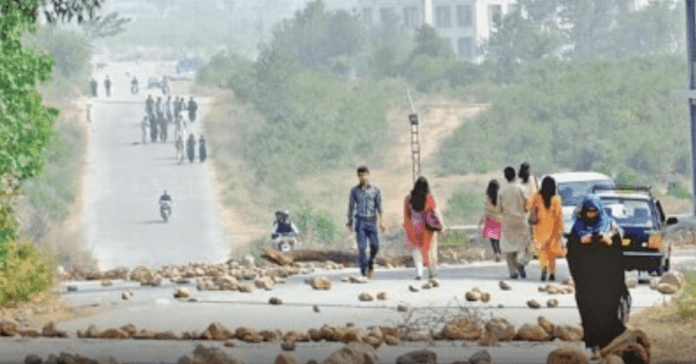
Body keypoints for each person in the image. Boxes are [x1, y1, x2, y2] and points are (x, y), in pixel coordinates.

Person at [566, 195, 630, 357]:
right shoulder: (577, 228)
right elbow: (571, 253)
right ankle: (595, 346)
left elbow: (618, 251)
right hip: (587, 281)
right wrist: (581, 243)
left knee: (607, 312)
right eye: (589, 211)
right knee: (590, 313)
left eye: (595, 211)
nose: (592, 215)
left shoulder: (610, 225)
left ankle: (608, 346)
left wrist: (608, 241)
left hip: (607, 280)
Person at [346, 165, 385, 278]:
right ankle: (364, 271)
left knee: (375, 245)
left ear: (369, 175)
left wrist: (382, 222)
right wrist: (349, 221)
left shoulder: (375, 190)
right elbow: (351, 207)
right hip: (360, 222)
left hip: (372, 220)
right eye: (360, 175)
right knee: (362, 248)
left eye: (365, 174)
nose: (363, 177)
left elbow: (380, 207)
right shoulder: (354, 191)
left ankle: (371, 261)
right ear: (358, 176)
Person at [403, 176, 443, 280]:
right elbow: (434, 212)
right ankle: (432, 272)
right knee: (429, 250)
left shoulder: (408, 198)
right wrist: (441, 225)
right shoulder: (429, 197)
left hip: (414, 226)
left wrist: (407, 227)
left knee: (416, 250)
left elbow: (406, 214)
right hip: (427, 227)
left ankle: (419, 273)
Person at [527, 176, 564, 281]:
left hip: (540, 228)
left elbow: (530, 208)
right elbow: (559, 216)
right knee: (551, 253)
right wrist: (560, 230)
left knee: (542, 252)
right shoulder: (556, 199)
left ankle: (543, 268)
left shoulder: (537, 197)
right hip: (553, 228)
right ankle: (552, 272)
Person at [496, 166, 530, 279]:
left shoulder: (502, 191)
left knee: (509, 247)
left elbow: (499, 209)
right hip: (521, 219)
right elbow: (527, 206)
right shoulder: (522, 189)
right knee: (525, 245)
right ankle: (521, 263)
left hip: (507, 221)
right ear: (515, 175)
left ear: (505, 177)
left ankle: (512, 272)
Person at [517, 161, 538, 269]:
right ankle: (526, 258)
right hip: (529, 210)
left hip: (521, 212)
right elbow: (534, 195)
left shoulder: (520, 182)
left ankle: (526, 254)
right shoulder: (531, 179)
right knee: (531, 235)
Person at [479, 179, 502, 262]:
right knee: (498, 237)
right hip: (500, 219)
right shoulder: (501, 199)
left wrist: (480, 221)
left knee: (492, 238)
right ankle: (499, 251)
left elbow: (485, 211)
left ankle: (496, 252)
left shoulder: (488, 200)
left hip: (490, 220)